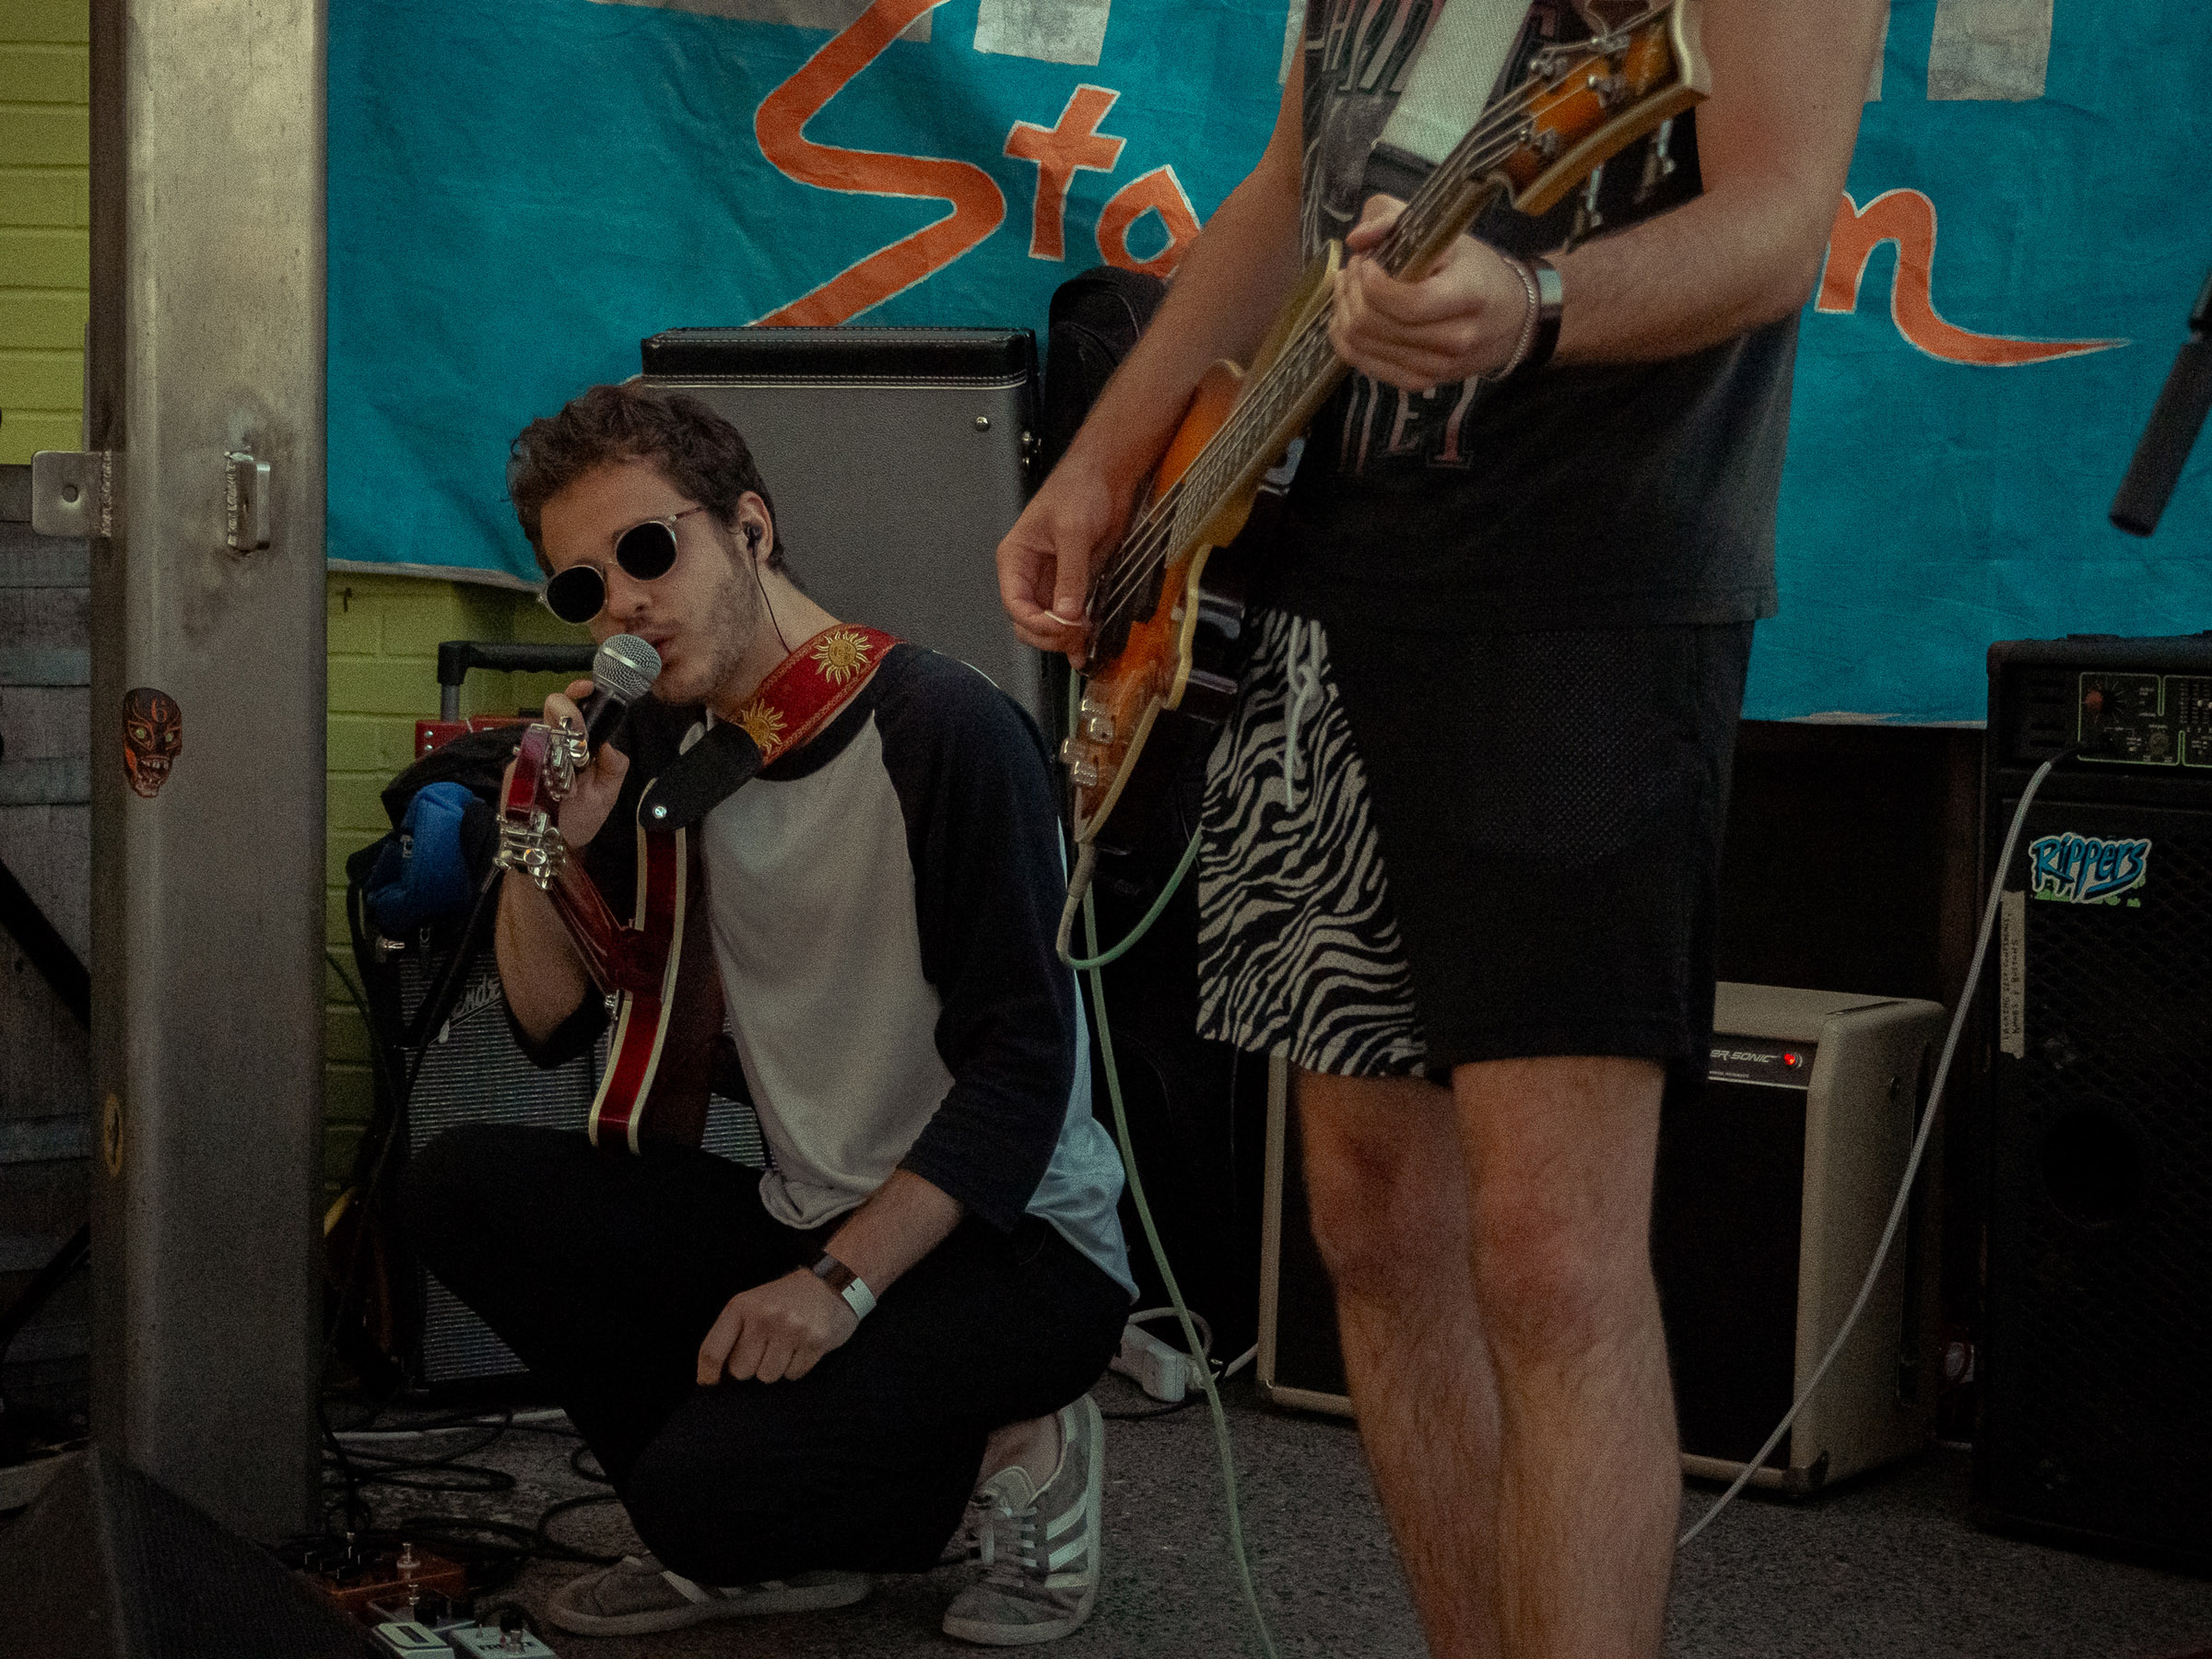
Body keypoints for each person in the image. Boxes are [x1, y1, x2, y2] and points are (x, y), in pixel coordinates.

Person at [996, 3, 1886, 1654]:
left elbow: (1781, 223)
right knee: (1373, 1221)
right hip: (1326, 581)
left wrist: (1533, 304)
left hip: (1585, 600)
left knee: (1553, 1253)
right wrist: (1108, 460)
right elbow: (1288, 187)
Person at [402, 383, 1135, 1645]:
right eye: (583, 588)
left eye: (647, 550)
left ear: (749, 528)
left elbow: (1026, 1065)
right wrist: (543, 840)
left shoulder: (942, 727)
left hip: (1011, 1244)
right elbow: (547, 1028)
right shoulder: (673, 758)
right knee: (463, 1185)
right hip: (808, 1207)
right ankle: (768, 1528)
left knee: (706, 1495)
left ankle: (1026, 1448)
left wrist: (837, 1288)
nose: (623, 603)